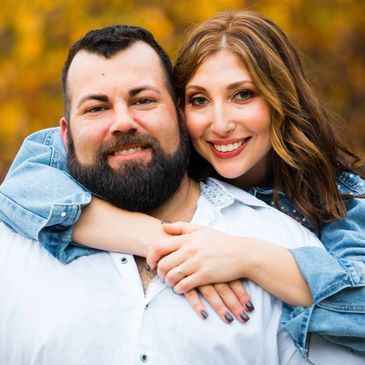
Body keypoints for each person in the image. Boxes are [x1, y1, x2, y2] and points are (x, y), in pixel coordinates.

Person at [1, 10, 364, 363]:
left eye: (243, 95)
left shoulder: (337, 204)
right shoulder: (150, 160)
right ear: (182, 110)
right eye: (200, 100)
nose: (220, 124)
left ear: (281, 99)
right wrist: (157, 238)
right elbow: (24, 180)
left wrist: (248, 257)